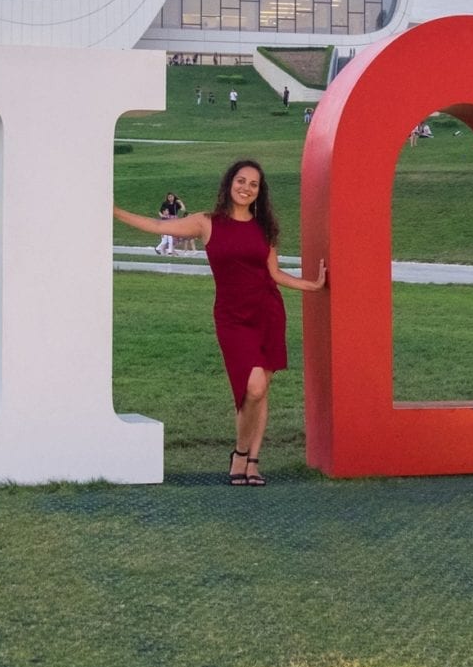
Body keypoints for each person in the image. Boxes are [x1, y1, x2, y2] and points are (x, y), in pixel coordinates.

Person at [113, 160, 325, 485]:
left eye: (253, 184)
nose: (246, 188)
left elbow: (273, 273)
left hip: (267, 313)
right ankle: (240, 453)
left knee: (261, 390)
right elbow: (158, 227)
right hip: (232, 318)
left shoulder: (264, 228)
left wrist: (310, 285)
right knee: (250, 388)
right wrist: (113, 210)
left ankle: (252, 462)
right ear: (229, 183)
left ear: (259, 192)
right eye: (241, 181)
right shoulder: (206, 223)